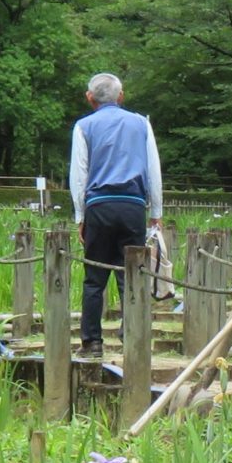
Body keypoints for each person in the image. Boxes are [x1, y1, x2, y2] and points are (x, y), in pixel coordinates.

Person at [68, 73, 164, 355]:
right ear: (121, 96)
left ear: (89, 98)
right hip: (133, 204)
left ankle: (92, 341)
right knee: (131, 274)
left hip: (99, 205)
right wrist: (155, 212)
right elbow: (153, 170)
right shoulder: (141, 124)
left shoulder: (83, 126)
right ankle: (132, 336)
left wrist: (80, 216)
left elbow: (79, 175)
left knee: (94, 277)